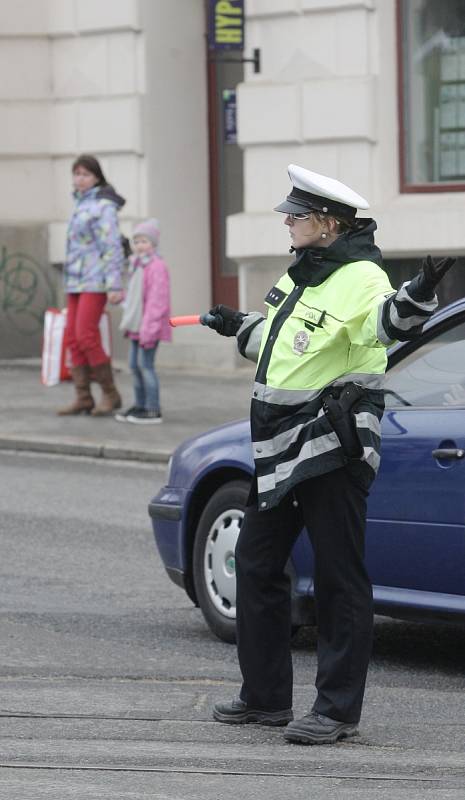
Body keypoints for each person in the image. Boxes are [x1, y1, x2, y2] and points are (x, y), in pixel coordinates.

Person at [206, 164, 456, 745]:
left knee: (341, 577)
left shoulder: (363, 276)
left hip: (327, 442)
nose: (288, 223)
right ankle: (265, 698)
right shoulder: (304, 274)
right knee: (259, 563)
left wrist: (417, 296)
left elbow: (387, 324)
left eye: (296, 215)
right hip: (278, 445)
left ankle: (337, 711)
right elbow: (282, 344)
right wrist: (235, 326)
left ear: (327, 223)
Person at [58, 154, 125, 417]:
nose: (80, 179)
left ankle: (110, 394)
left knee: (86, 336)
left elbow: (111, 247)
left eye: (85, 174)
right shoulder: (80, 204)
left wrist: (115, 284)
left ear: (96, 177)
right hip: (75, 280)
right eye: (76, 174)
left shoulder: (103, 206)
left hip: (95, 281)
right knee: (73, 339)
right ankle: (83, 397)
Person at [115, 218, 171, 424]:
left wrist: (150, 328)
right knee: (134, 365)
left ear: (154, 244)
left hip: (149, 326)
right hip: (137, 325)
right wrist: (120, 296)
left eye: (144, 241)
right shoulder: (137, 265)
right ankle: (139, 405)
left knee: (146, 366)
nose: (139, 246)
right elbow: (133, 294)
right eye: (136, 242)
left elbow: (157, 301)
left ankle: (152, 409)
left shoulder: (156, 267)